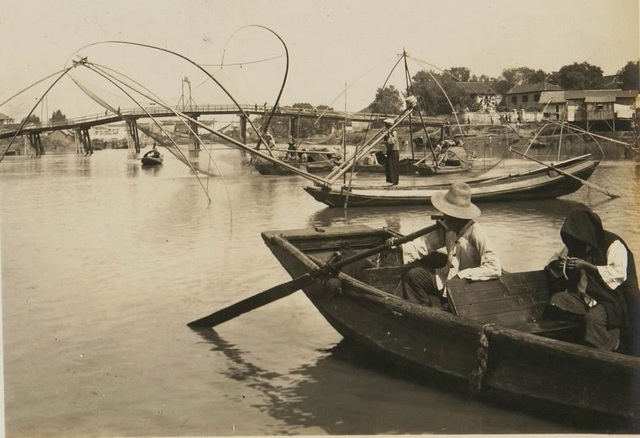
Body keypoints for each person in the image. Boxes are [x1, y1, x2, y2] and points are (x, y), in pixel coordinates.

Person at [386, 182, 502, 308]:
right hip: (446, 277)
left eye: (449, 213)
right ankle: (421, 310)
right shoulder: (448, 228)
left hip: (468, 284)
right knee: (413, 276)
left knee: (452, 306)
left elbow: (494, 267)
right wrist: (399, 246)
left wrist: (463, 275)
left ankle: (442, 308)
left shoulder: (476, 232)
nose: (445, 216)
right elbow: (424, 244)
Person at [544, 204, 639, 353]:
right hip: (583, 297)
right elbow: (553, 261)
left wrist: (587, 266)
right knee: (557, 301)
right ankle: (579, 338)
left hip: (609, 299)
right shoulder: (575, 245)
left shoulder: (612, 243)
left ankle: (610, 344)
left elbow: (619, 274)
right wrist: (558, 264)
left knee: (593, 319)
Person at [382, 118, 400, 185]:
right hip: (389, 151)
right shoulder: (388, 131)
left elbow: (392, 142)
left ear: (389, 125)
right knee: (389, 166)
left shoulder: (393, 132)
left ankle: (394, 181)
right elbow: (386, 141)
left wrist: (389, 134)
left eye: (386, 124)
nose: (385, 125)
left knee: (394, 166)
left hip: (394, 151)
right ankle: (390, 181)